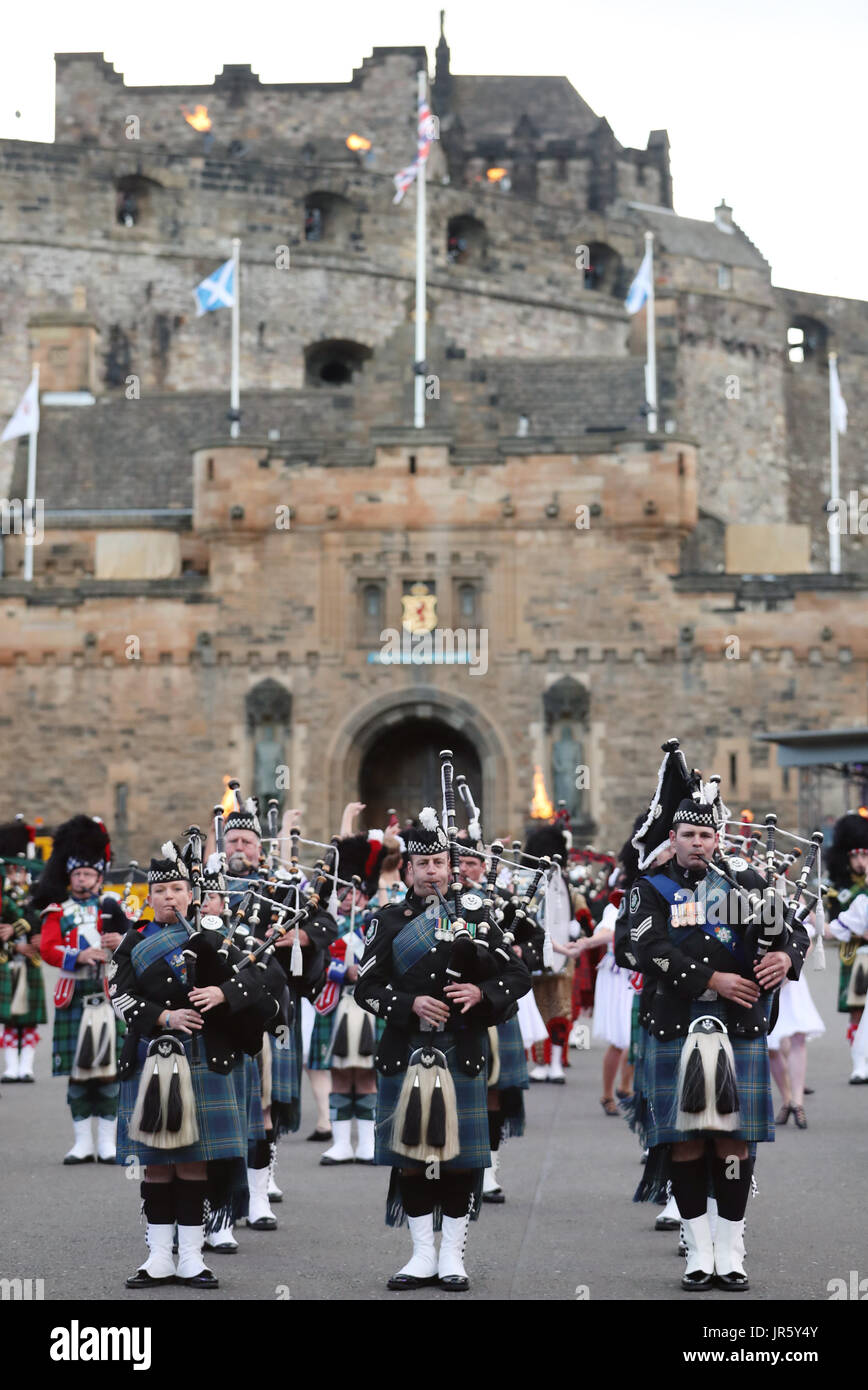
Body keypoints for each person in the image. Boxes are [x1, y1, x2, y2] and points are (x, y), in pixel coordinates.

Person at [624, 757, 809, 1293]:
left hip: (738, 1027)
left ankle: (730, 1248)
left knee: (733, 1142)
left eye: (706, 833)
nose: (698, 843)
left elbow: (791, 930)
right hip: (676, 1022)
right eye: (688, 834)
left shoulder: (745, 882)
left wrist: (787, 960)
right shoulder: (651, 887)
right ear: (674, 837)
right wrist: (714, 979)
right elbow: (647, 948)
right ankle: (697, 1249)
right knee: (685, 1140)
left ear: (717, 836)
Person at [355, 806, 531, 1292]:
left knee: (459, 1158)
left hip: (462, 1049)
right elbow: (365, 989)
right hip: (405, 1051)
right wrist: (411, 1004)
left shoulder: (477, 915)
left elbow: (517, 977)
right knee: (412, 1157)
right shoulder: (387, 922)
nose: (431, 871)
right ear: (407, 870)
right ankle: (420, 1255)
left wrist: (480, 994)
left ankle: (452, 1254)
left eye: (439, 863)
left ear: (451, 867)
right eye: (422, 864)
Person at [111, 842, 278, 1289]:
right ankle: (158, 1257)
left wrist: (224, 993)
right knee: (156, 1163)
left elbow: (263, 978)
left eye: (178, 888)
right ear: (149, 898)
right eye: (161, 889)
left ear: (192, 894)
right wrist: (163, 1017)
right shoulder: (135, 939)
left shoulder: (222, 933)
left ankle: (191, 1257)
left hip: (208, 1058)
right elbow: (119, 994)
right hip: (152, 1057)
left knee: (194, 1162)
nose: (170, 896)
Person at [34, 815, 128, 1163]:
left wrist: (119, 941)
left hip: (107, 999)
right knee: (78, 1075)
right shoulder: (58, 911)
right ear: (68, 876)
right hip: (75, 998)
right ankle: (82, 1143)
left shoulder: (114, 907)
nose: (83, 880)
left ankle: (106, 1142)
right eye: (77, 875)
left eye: (89, 874)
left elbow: (137, 943)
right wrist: (77, 954)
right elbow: (48, 949)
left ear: (99, 876)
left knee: (108, 1075)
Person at [316, 831, 398, 1165]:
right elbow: (313, 964)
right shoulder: (325, 924)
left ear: (364, 896)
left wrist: (360, 969)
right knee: (338, 1074)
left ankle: (366, 1142)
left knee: (366, 1074)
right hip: (334, 1003)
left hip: (366, 1005)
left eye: (354, 893)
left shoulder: (376, 922)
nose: (348, 899)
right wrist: (340, 971)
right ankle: (340, 1143)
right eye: (342, 893)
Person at [0, 819, 46, 1083]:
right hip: (8, 960)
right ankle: (10, 1066)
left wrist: (36, 939)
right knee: (8, 1018)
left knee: (28, 1019)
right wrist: (16, 944)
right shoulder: (3, 898)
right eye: (11, 870)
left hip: (30, 963)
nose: (15, 874)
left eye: (19, 870)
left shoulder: (35, 897)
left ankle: (26, 1065)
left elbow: (41, 919)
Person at [824, 813, 868, 1081]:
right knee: (857, 1009)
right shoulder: (839, 891)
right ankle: (859, 1064)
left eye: (865, 855)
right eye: (855, 856)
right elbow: (833, 927)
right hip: (854, 957)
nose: (861, 862)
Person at [768, 922, 825, 1126]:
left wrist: (787, 965)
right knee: (771, 1046)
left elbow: (805, 941)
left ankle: (798, 1102)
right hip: (764, 979)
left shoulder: (795, 903)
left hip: (791, 981)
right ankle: (787, 1099)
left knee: (798, 1039)